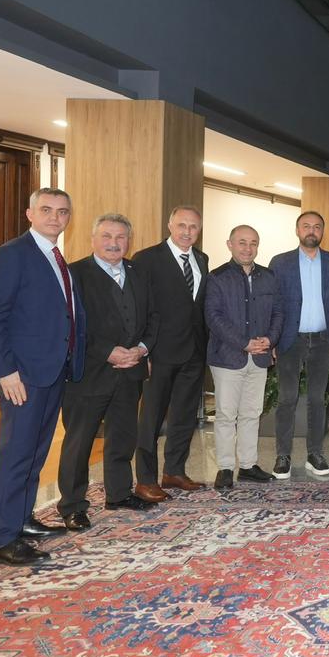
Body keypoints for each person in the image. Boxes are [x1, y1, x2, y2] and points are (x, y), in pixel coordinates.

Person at [0, 187, 86, 566]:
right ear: (30, 214)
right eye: (47, 210)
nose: (55, 217)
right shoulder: (12, 255)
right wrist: (5, 371)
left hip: (52, 370)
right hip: (22, 375)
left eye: (62, 211)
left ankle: (21, 519)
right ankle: (1, 537)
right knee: (15, 453)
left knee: (36, 452)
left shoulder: (55, 257)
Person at [58, 213, 159, 526]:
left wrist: (142, 348)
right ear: (93, 239)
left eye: (120, 237)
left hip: (131, 372)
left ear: (129, 241)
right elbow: (69, 325)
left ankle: (119, 494)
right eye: (106, 236)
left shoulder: (139, 273)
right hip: (89, 374)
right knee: (79, 442)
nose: (114, 243)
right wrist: (107, 352)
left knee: (123, 436)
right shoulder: (74, 274)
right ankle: (73, 505)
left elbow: (153, 317)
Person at [131, 205, 209, 494]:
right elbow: (139, 308)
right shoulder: (147, 259)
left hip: (193, 352)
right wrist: (144, 351)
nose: (187, 232)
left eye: (193, 227)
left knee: (184, 417)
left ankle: (174, 472)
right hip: (159, 353)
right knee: (151, 419)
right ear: (170, 225)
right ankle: (146, 479)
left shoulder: (202, 259)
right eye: (182, 225)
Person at [266, 211, 329, 479]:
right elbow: (273, 304)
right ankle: (283, 456)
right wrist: (272, 338)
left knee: (317, 399)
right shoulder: (280, 262)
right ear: (297, 230)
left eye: (317, 226)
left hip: (323, 340)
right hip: (290, 339)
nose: (312, 230)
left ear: (323, 231)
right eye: (306, 226)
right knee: (287, 398)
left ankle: (315, 454)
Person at [205, 225, 282, 490]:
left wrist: (270, 339)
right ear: (230, 245)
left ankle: (248, 465)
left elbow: (278, 312)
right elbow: (214, 317)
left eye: (253, 243)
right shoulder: (217, 277)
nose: (248, 248)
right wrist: (244, 343)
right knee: (226, 414)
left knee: (252, 413)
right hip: (228, 357)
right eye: (242, 242)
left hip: (259, 357)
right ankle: (225, 467)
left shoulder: (269, 277)